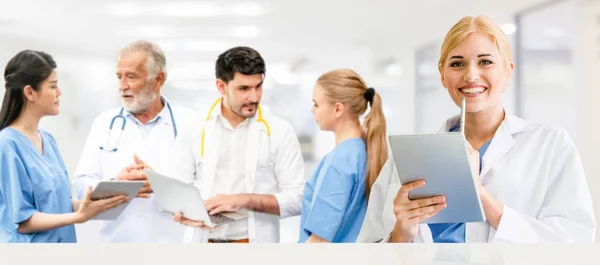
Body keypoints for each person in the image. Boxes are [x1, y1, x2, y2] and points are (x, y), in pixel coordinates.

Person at [358, 15, 596, 243]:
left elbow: (574, 241)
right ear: (442, 75)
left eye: (486, 62)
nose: (471, 75)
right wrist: (402, 232)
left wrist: (479, 194)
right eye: (457, 63)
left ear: (507, 71)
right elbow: (369, 248)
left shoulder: (550, 145)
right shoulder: (406, 158)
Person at [169, 46, 305, 243]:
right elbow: (179, 187)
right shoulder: (193, 128)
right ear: (221, 86)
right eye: (243, 89)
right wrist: (182, 211)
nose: (254, 97)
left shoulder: (280, 131)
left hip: (253, 245)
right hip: (204, 243)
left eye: (258, 86)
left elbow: (298, 198)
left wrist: (243, 200)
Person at [72, 41, 195, 242]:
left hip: (172, 247)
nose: (122, 86)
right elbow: (80, 185)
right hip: (117, 247)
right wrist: (115, 184)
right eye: (119, 77)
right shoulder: (104, 123)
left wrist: (160, 184)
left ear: (158, 79)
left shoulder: (190, 124)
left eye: (131, 77)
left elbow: (205, 190)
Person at [0, 50, 128, 243]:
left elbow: (58, 205)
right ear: (29, 92)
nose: (59, 93)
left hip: (62, 253)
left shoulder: (48, 140)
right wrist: (79, 217)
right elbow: (23, 220)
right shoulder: (7, 145)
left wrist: (99, 203)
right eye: (53, 87)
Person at [298, 69, 387, 243]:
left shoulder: (339, 162)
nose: (312, 110)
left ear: (338, 109)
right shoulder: (365, 152)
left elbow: (319, 242)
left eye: (316, 104)